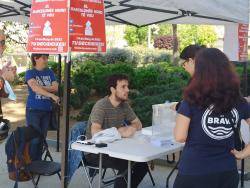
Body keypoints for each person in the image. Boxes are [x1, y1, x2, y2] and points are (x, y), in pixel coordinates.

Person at [173, 48, 250, 188]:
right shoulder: (239, 101)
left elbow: (179, 136)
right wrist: (243, 153)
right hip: (227, 171)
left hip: (194, 170)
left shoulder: (191, 100)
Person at [86, 74, 147, 188]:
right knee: (127, 164)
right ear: (113, 89)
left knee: (142, 165)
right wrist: (119, 132)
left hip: (116, 147)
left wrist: (130, 128)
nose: (127, 90)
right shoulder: (101, 105)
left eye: (127, 86)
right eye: (123, 87)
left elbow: (138, 124)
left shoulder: (124, 105)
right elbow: (95, 132)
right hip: (95, 151)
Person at [25, 53, 59, 136]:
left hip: (47, 110)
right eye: (44, 58)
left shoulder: (49, 72)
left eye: (47, 58)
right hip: (33, 110)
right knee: (33, 138)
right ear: (36, 58)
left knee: (43, 137)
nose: (46, 60)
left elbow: (55, 88)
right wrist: (51, 94)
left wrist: (40, 87)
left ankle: (40, 149)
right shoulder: (30, 72)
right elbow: (34, 88)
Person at [171, 44, 206, 111]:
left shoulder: (197, 81)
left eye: (183, 64)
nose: (184, 67)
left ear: (191, 61)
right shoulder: (214, 77)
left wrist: (178, 106)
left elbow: (192, 104)